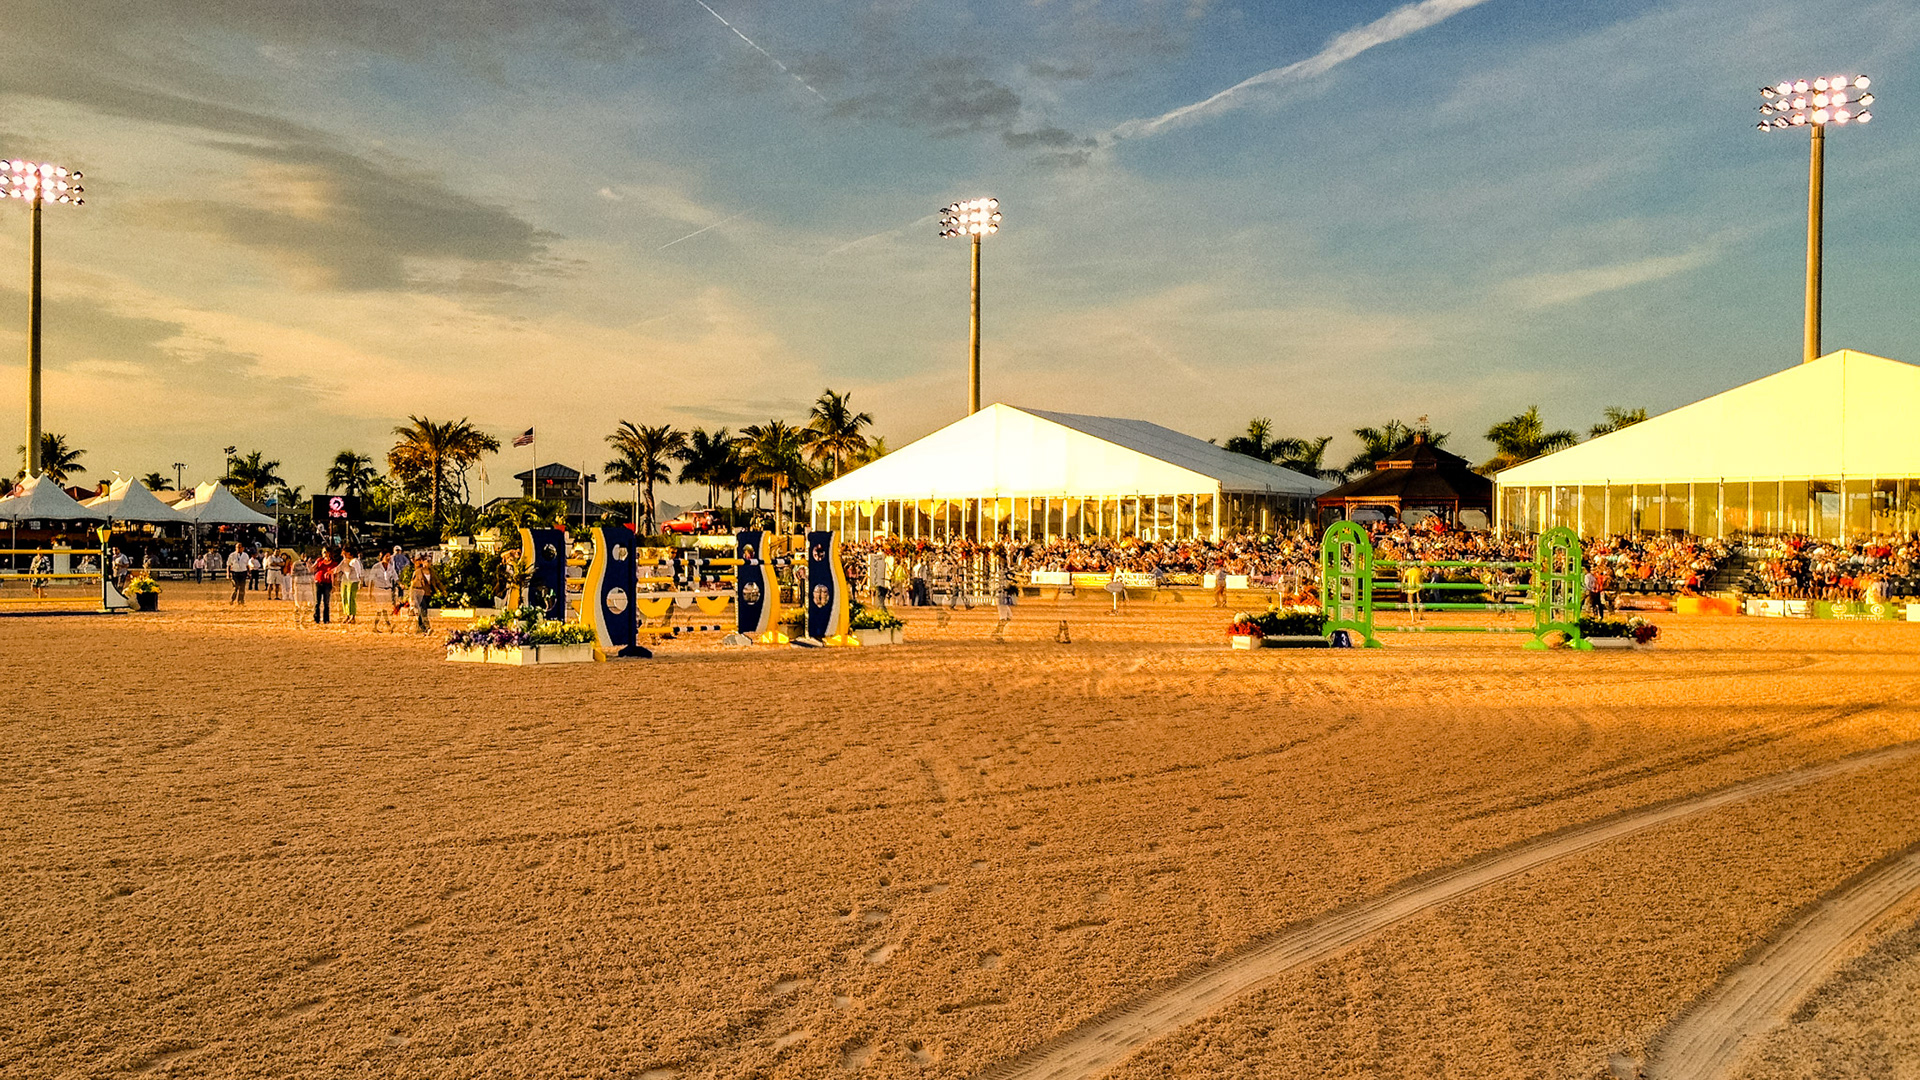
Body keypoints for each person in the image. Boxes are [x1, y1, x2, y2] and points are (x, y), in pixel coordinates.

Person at [311, 546, 336, 624]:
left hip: (327, 583)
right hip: (318, 582)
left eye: (326, 552)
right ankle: (316, 618)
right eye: (324, 552)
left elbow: (335, 576)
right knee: (317, 602)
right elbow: (312, 569)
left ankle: (326, 619)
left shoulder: (333, 563)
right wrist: (308, 563)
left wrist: (334, 585)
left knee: (326, 602)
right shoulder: (319, 561)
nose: (325, 554)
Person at [409, 557, 435, 634]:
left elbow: (436, 582)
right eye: (427, 561)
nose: (428, 563)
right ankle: (427, 627)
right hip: (418, 593)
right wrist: (411, 597)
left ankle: (420, 628)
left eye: (429, 562)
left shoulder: (431, 572)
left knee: (422, 611)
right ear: (423, 562)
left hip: (427, 593)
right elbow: (412, 585)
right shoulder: (417, 572)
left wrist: (442, 590)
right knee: (423, 610)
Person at [341, 548, 364, 625]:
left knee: (350, 598)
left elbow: (359, 571)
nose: (343, 555)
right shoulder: (345, 561)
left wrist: (361, 581)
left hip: (353, 581)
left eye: (345, 554)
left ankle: (352, 616)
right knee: (344, 598)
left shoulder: (355, 561)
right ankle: (347, 614)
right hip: (345, 580)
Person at [390, 546, 412, 615]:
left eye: (398, 550)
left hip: (400, 575)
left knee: (401, 589)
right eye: (396, 550)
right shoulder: (391, 557)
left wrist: (403, 569)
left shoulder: (403, 557)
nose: (397, 552)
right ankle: (393, 604)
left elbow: (408, 562)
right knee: (393, 590)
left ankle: (400, 603)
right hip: (393, 575)